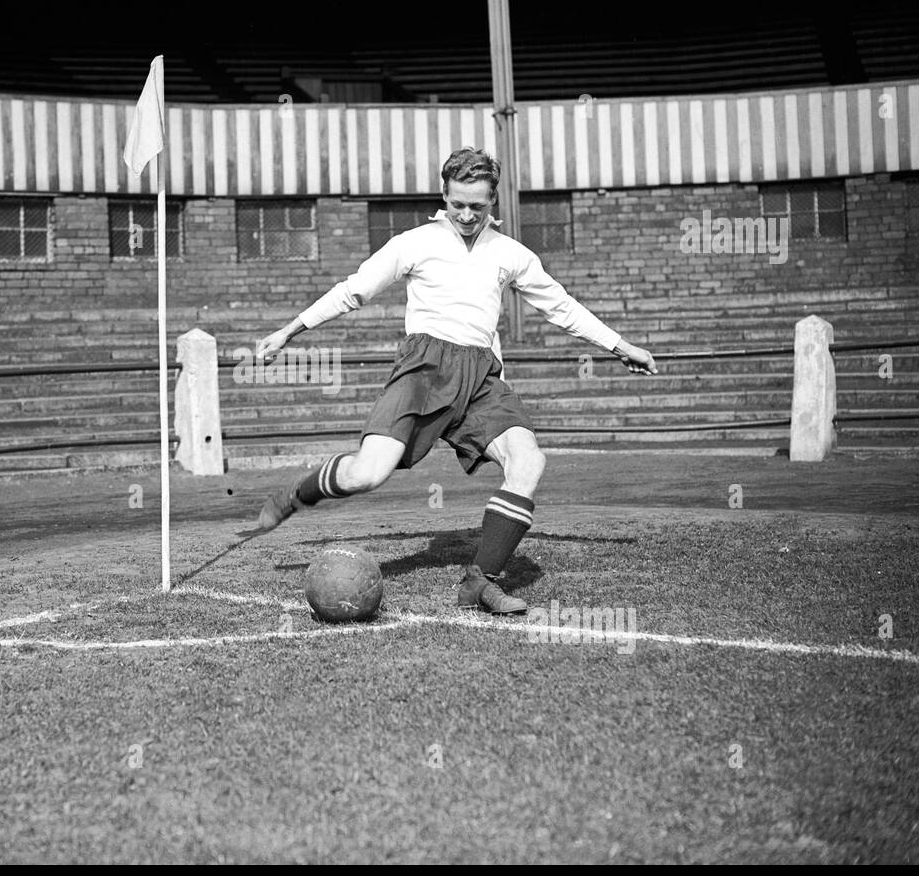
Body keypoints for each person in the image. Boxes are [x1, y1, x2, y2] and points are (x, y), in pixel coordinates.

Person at [253, 147, 657, 613]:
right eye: (458, 204)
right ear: (443, 196)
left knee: (528, 461)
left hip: (482, 376)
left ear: (493, 203)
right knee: (368, 474)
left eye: (478, 207)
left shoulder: (510, 254)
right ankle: (297, 493)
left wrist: (619, 345)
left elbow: (561, 307)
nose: (466, 215)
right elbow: (353, 290)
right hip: (423, 369)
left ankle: (480, 582)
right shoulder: (415, 243)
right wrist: (288, 330)